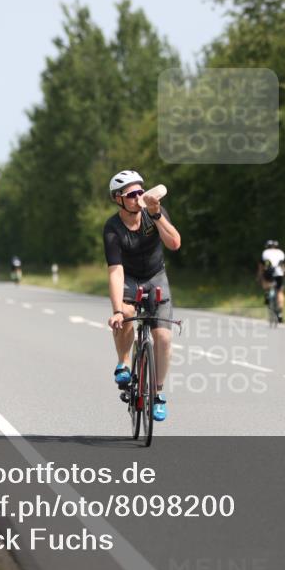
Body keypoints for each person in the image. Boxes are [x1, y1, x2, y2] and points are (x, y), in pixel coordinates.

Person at [104, 170, 181, 422]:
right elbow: (115, 272)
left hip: (156, 275)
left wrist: (157, 213)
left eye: (140, 192)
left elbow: (174, 243)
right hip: (129, 278)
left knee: (164, 338)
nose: (138, 197)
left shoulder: (152, 211)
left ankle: (158, 394)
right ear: (119, 199)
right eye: (131, 194)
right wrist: (117, 310)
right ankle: (123, 363)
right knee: (125, 314)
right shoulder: (113, 229)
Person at [259, 240, 285, 322]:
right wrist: (284, 273)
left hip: (269, 272)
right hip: (279, 273)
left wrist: (260, 277)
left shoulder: (265, 252)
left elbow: (261, 267)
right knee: (280, 291)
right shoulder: (281, 252)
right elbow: (283, 266)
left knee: (265, 280)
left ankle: (267, 293)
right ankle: (280, 313)